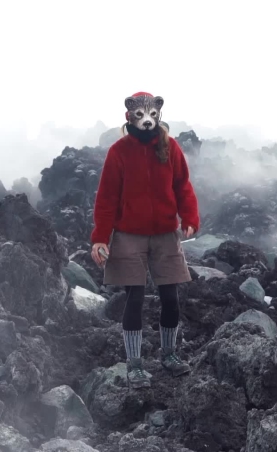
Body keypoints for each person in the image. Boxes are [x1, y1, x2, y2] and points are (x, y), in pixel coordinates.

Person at [90, 91, 200, 389]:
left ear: (159, 113)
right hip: (129, 234)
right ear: (129, 115)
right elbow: (107, 197)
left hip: (165, 234)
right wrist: (100, 238)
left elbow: (182, 186)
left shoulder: (170, 146)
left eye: (152, 114)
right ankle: (135, 365)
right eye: (140, 115)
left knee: (170, 297)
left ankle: (169, 354)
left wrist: (190, 217)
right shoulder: (119, 151)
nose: (147, 120)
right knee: (134, 298)